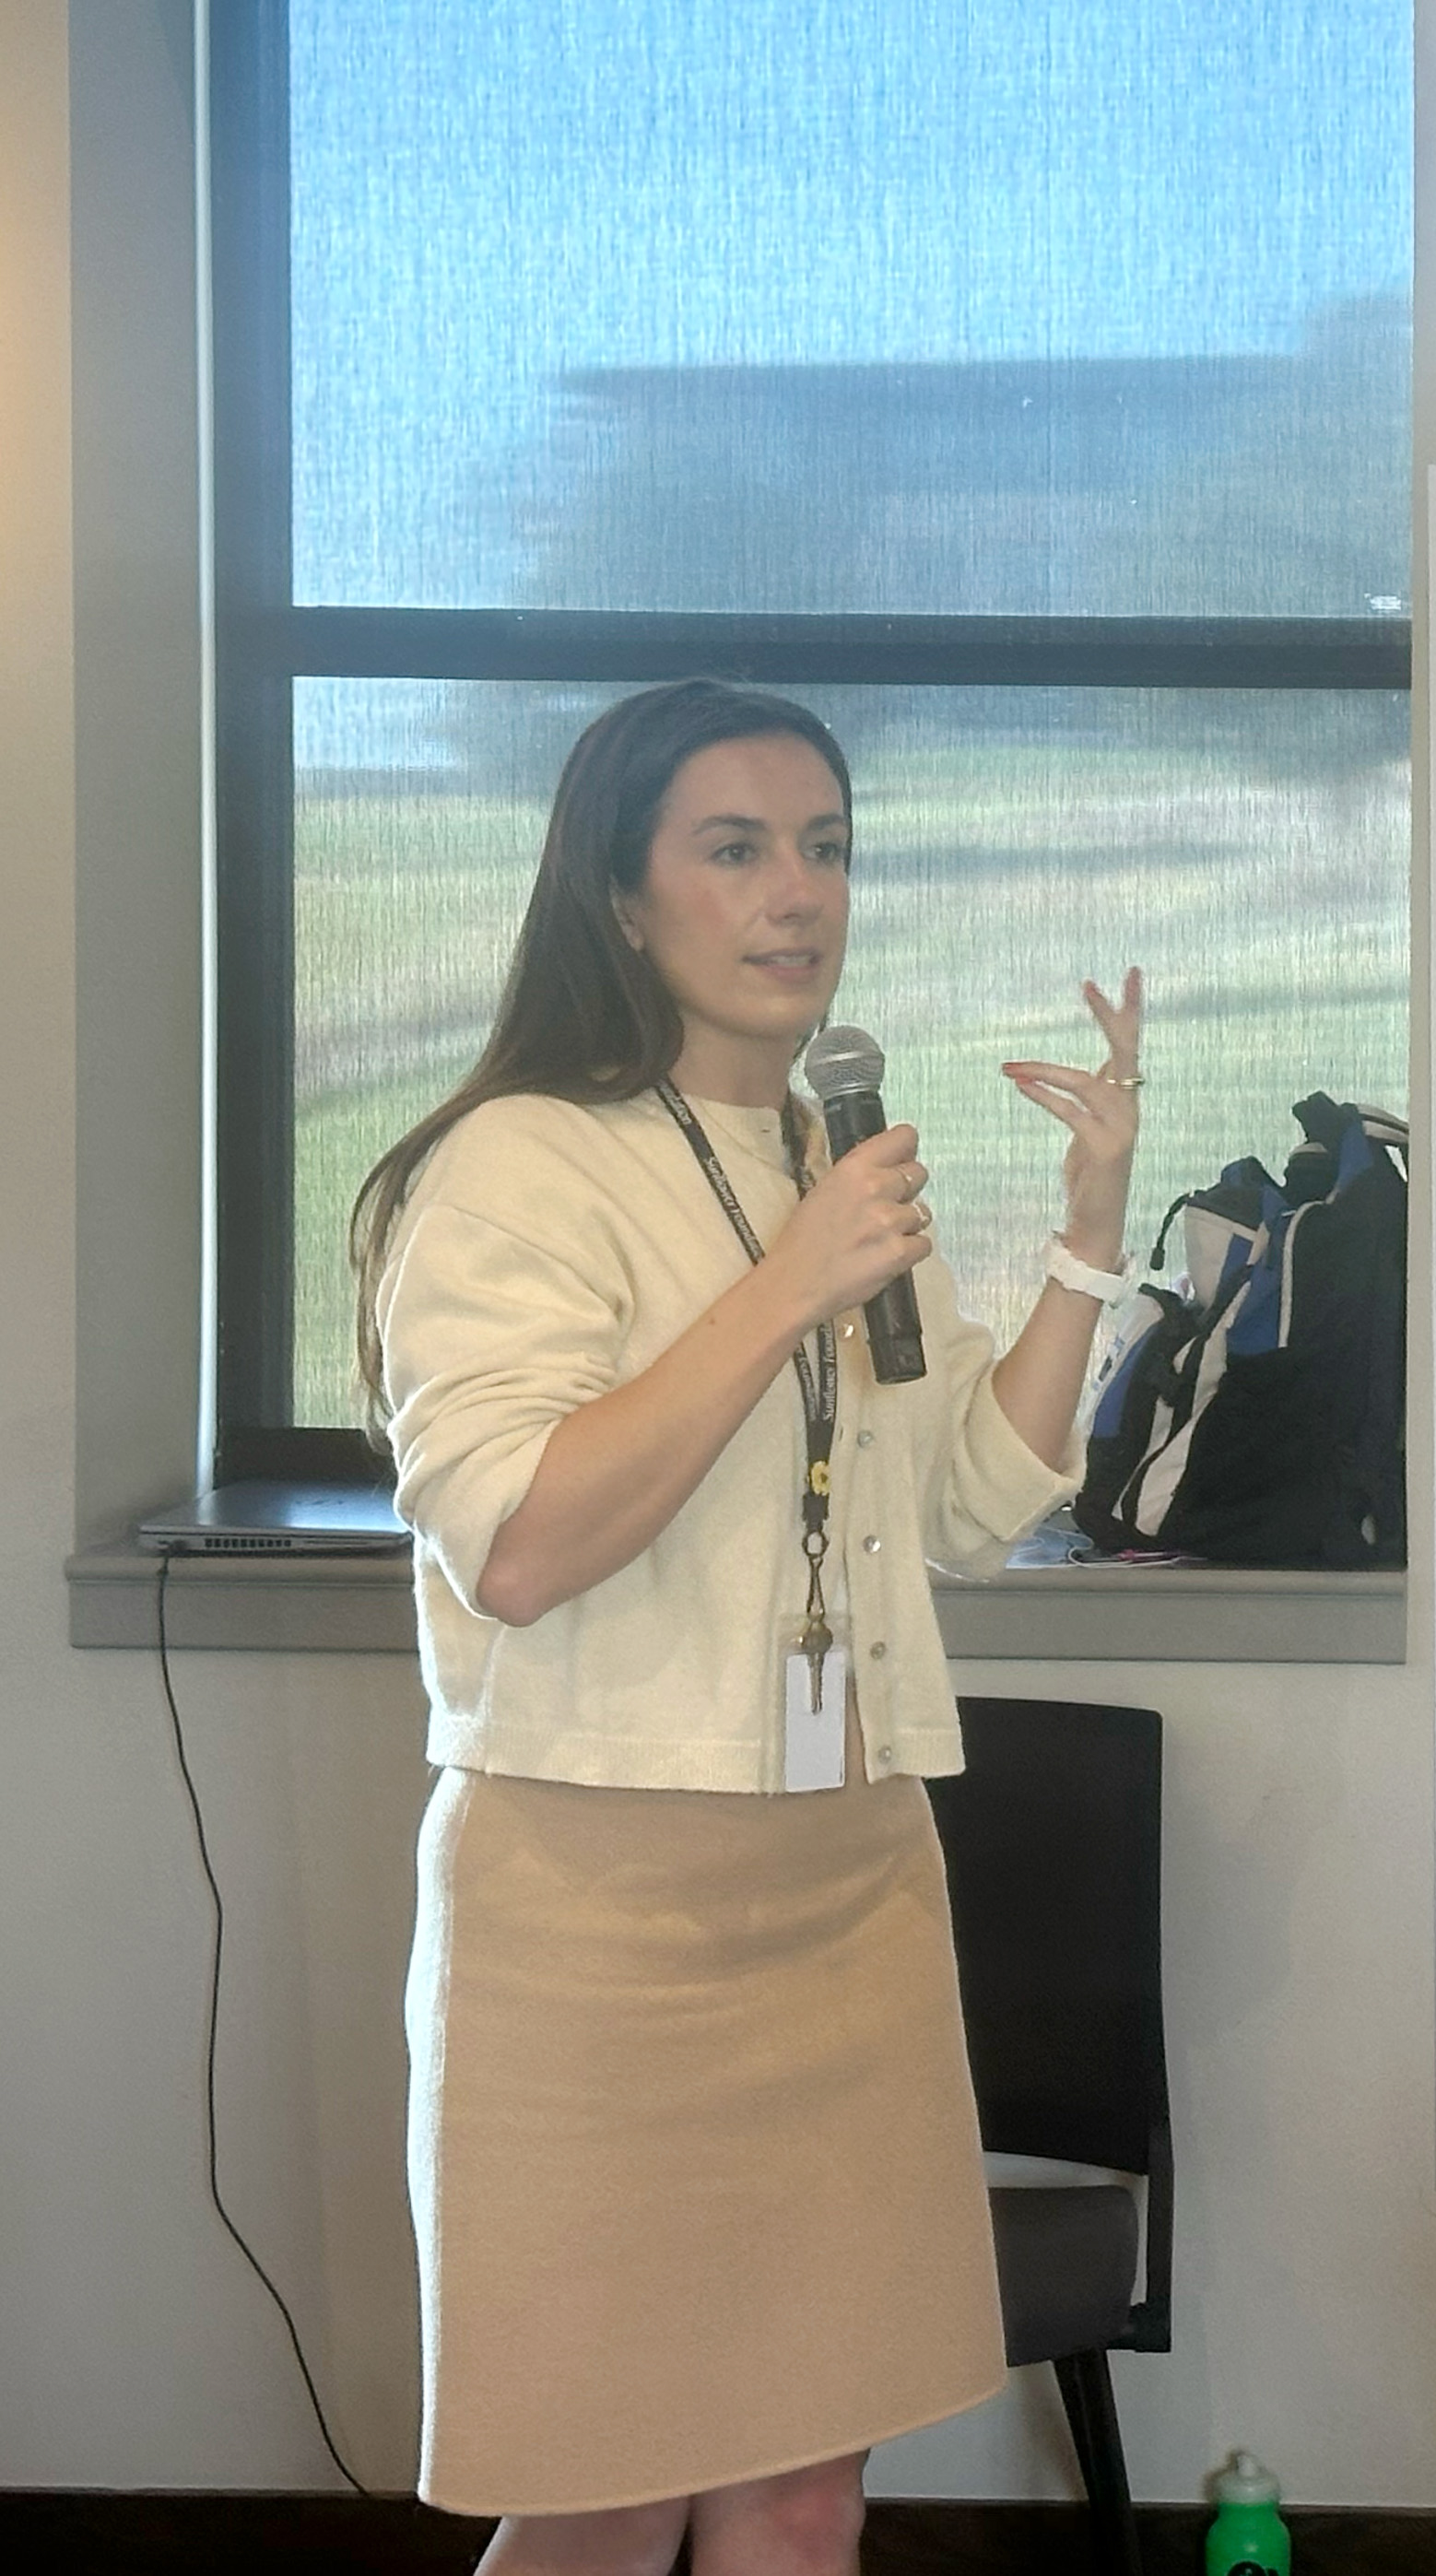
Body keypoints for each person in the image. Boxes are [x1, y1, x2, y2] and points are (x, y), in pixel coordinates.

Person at [353, 677, 1145, 2575]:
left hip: (848, 1881)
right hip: (595, 1906)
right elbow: (518, 1545)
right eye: (735, 848)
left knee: (804, 2491)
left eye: (827, 847)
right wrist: (789, 1285)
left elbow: (963, 1499)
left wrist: (1088, 1231)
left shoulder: (826, 1163)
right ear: (622, 898)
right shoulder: (515, 1164)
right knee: (607, 2489)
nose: (799, 893)